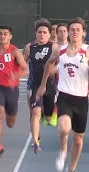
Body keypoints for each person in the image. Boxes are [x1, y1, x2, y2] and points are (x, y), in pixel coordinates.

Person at [36, 17, 89, 172]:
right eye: (72, 29)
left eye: (78, 30)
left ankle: (72, 169)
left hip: (82, 99)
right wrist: (43, 85)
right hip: (64, 96)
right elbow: (48, 65)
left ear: (83, 33)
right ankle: (63, 149)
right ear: (68, 32)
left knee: (78, 140)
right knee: (64, 128)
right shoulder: (61, 50)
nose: (74, 32)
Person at [0, 25, 29, 158]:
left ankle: (10, 113)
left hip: (12, 89)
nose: (3, 36)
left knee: (10, 122)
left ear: (10, 36)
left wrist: (15, 76)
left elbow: (26, 70)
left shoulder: (15, 52)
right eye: (0, 34)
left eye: (5, 34)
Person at [23, 20, 58, 153]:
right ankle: (36, 141)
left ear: (49, 35)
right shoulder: (29, 47)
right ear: (35, 34)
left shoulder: (54, 47)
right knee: (35, 112)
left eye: (44, 32)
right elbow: (22, 63)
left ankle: (50, 113)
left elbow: (60, 65)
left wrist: (52, 70)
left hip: (50, 85)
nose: (42, 35)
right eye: (39, 32)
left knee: (47, 117)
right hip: (34, 84)